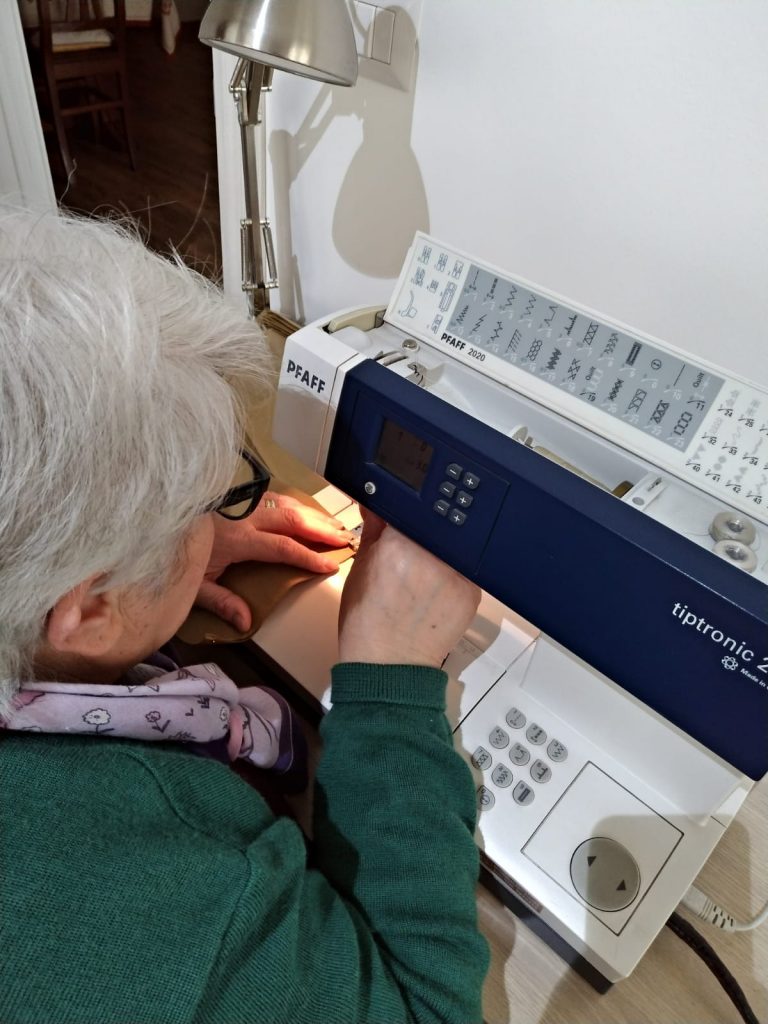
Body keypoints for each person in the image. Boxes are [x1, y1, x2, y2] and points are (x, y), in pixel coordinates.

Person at [0, 205, 489, 1024]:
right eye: (208, 500)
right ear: (86, 607)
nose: (219, 515)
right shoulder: (130, 898)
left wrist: (149, 562)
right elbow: (425, 1011)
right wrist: (391, 683)